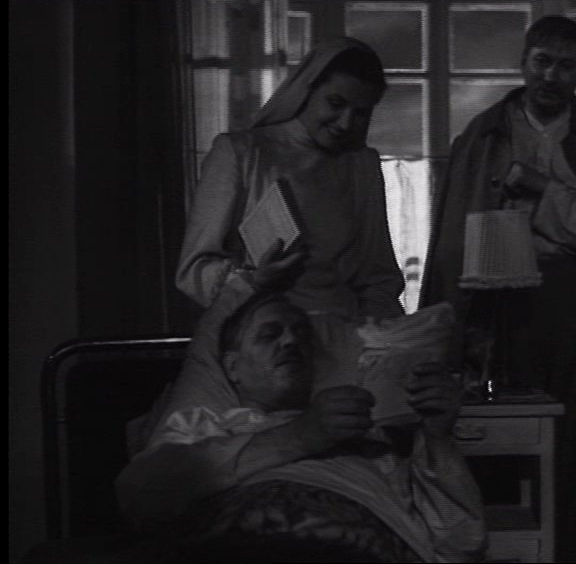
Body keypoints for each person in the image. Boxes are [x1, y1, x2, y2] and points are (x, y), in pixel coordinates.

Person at [419, 16, 576, 562]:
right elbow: (454, 235)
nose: (551, 76)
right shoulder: (484, 134)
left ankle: (575, 551)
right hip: (499, 308)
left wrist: (541, 189)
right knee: (503, 438)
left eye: (565, 66)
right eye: (542, 61)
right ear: (524, 62)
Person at [117, 241, 487, 563]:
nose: (290, 342)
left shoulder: (373, 443)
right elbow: (139, 497)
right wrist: (302, 436)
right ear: (232, 367)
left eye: (301, 336)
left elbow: (460, 544)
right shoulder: (203, 427)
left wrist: (438, 439)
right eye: (269, 334)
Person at [176, 36, 405, 322]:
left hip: (343, 334)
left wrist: (374, 332)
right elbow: (194, 270)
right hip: (260, 331)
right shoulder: (241, 154)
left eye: (361, 113)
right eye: (335, 103)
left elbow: (378, 275)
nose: (346, 123)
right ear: (306, 90)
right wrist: (254, 282)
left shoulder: (362, 165)